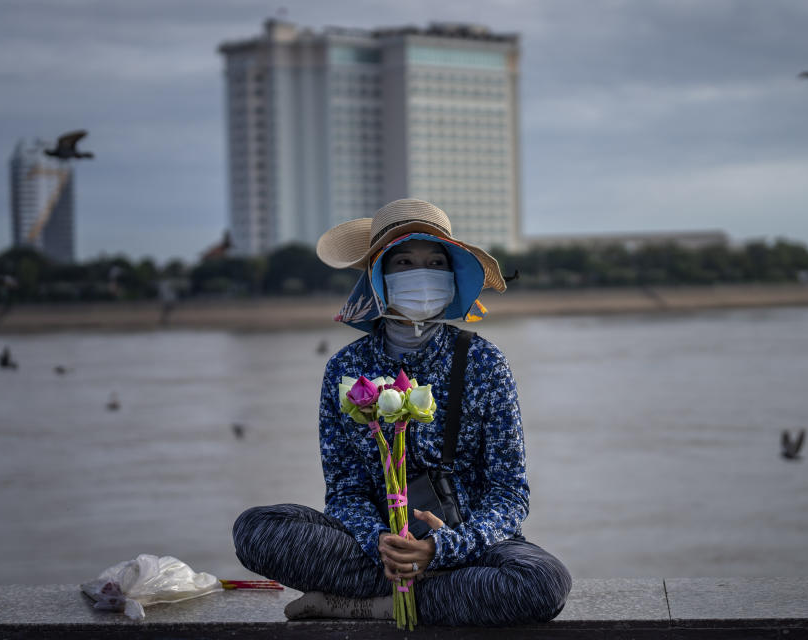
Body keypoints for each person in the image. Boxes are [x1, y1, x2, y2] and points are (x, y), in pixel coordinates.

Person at [232, 199, 571, 626]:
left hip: (469, 548)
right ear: (379, 277)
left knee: (543, 581)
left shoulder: (485, 361)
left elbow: (509, 494)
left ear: (451, 276)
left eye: (433, 262)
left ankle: (369, 606)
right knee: (256, 529)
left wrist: (440, 549)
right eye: (405, 262)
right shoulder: (345, 368)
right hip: (375, 552)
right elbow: (345, 491)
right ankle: (434, 594)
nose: (420, 273)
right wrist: (384, 542)